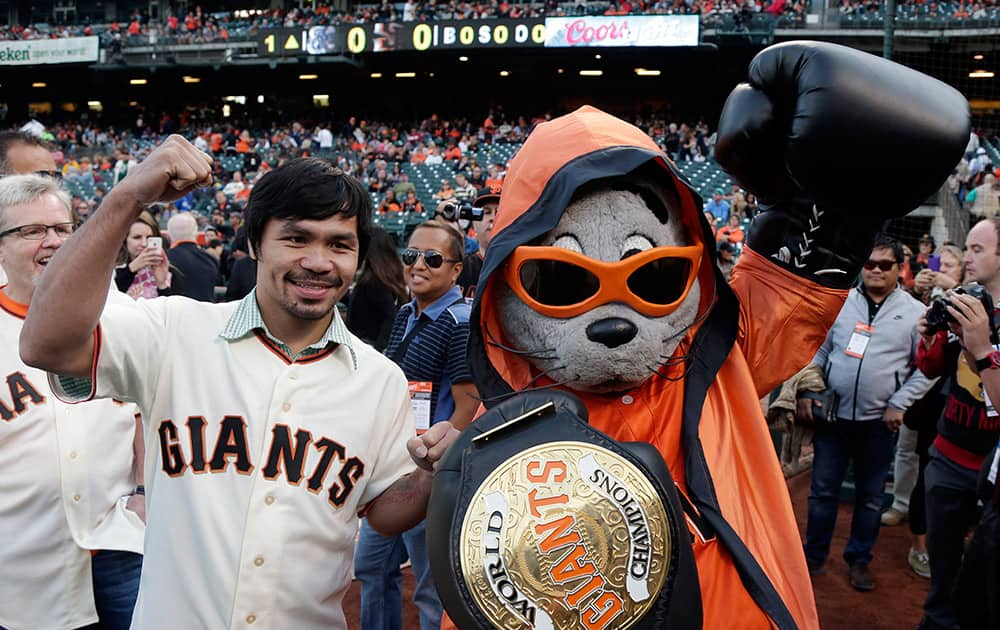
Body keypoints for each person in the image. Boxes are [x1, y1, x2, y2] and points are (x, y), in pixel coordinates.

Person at [18, 136, 461, 630]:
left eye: (339, 244)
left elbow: (382, 510)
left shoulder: (380, 380)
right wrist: (127, 198)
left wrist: (427, 475)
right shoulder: (173, 330)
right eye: (296, 238)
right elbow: (46, 345)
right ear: (254, 244)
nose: (318, 260)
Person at [0, 174, 145, 630]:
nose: (54, 241)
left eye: (63, 229)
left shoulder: (121, 314)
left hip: (122, 542)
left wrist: (142, 493)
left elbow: (145, 411)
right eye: (32, 231)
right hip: (25, 555)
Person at [355, 220, 479, 630]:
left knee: (429, 589)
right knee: (370, 568)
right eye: (411, 256)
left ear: (457, 269)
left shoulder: (460, 322)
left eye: (432, 258)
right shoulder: (406, 312)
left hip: (427, 474)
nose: (418, 265)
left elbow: (468, 404)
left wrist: (433, 468)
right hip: (392, 469)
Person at [799, 236, 936, 591]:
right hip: (833, 418)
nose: (875, 271)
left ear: (900, 269)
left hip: (879, 423)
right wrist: (810, 388)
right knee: (822, 491)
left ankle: (859, 560)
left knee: (871, 498)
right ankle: (813, 557)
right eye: (870, 264)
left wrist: (900, 402)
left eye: (885, 265)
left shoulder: (914, 313)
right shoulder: (840, 302)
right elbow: (819, 349)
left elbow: (925, 369)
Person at [915, 218, 1000, 630]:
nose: (967, 257)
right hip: (949, 455)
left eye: (978, 249)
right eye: (966, 248)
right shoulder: (962, 300)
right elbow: (931, 367)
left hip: (992, 467)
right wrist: (929, 337)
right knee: (944, 568)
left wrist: (983, 347)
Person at [894, 243, 966, 580]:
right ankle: (903, 511)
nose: (943, 269)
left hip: (950, 400)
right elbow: (916, 341)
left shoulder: (969, 300)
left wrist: (953, 291)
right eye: (941, 263)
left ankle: (934, 538)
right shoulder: (923, 294)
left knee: (934, 469)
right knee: (910, 454)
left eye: (951, 265)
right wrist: (921, 292)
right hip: (918, 390)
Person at [346, 226, 408, 352]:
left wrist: (378, 349)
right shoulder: (382, 278)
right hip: (364, 344)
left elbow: (390, 316)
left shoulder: (375, 281)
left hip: (365, 346)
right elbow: (365, 308)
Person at [456, 185, 500, 299]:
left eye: (499, 212)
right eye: (486, 212)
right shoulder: (460, 268)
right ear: (474, 224)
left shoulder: (523, 265)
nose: (492, 218)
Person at [115, 210, 171, 299]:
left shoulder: (167, 267)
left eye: (149, 238)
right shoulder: (111, 270)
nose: (144, 243)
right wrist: (131, 269)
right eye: (137, 237)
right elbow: (110, 298)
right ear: (124, 239)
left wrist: (162, 284)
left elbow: (172, 308)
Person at [166, 212, 219, 302]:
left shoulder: (165, 259)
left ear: (168, 235)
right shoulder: (211, 259)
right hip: (205, 312)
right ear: (197, 233)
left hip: (176, 312)